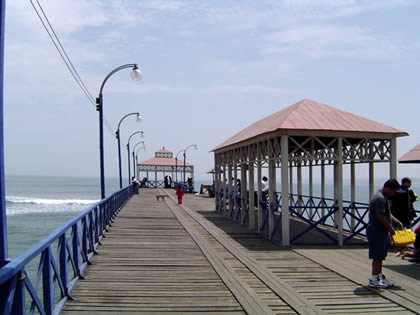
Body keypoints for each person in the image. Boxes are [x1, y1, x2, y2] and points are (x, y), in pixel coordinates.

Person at [367, 179, 403, 289]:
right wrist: (391, 229)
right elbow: (380, 216)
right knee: (377, 256)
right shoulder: (380, 198)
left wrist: (396, 221)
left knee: (381, 255)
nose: (394, 194)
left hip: (380, 231)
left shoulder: (383, 197)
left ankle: (379, 277)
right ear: (389, 188)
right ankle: (373, 279)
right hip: (376, 230)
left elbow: (387, 213)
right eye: (394, 191)